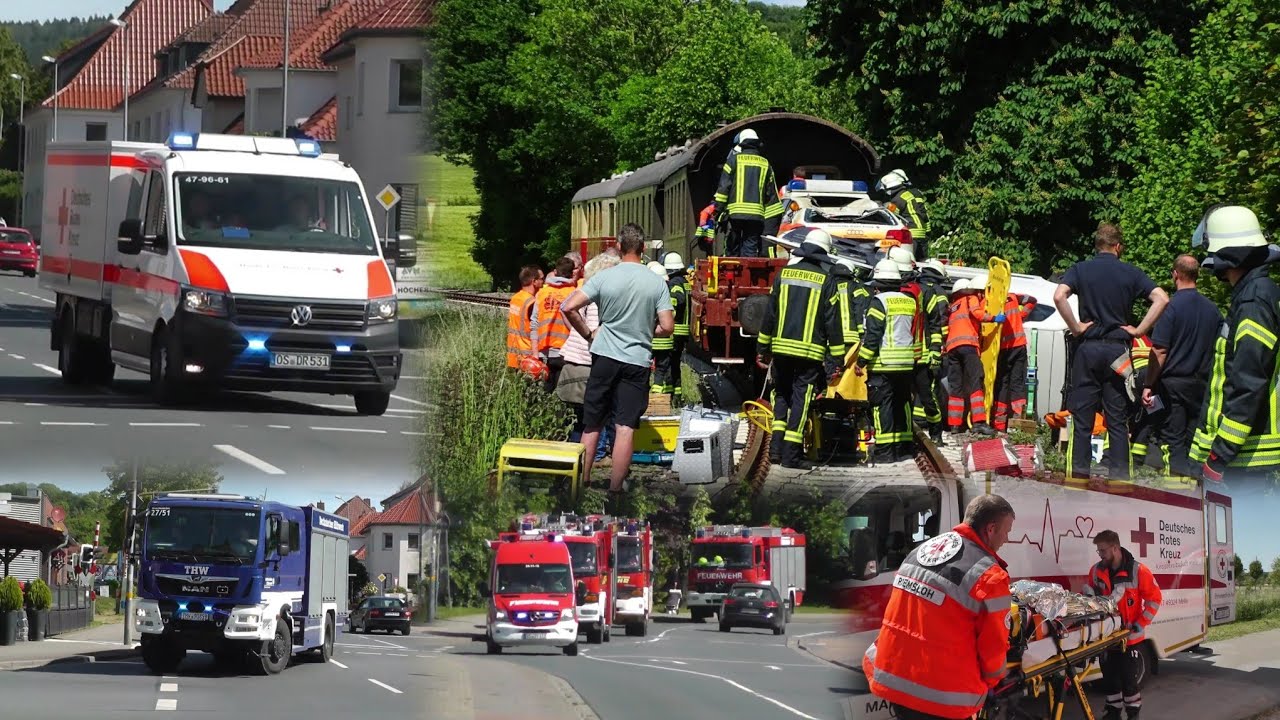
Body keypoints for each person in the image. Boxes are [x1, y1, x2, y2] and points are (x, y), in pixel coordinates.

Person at [863, 494, 1015, 720]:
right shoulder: (989, 577)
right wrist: (994, 680)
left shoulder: (921, 551)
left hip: (895, 679)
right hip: (941, 698)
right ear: (991, 529)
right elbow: (992, 653)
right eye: (1007, 531)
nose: (1007, 539)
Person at [560, 224, 674, 502]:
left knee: (592, 423)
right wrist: (646, 331)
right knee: (625, 427)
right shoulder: (656, 282)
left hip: (604, 357)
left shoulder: (605, 278)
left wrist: (589, 334)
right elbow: (668, 327)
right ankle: (615, 490)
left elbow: (568, 307)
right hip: (636, 360)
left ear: (620, 247)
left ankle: (582, 482)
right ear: (643, 248)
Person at [1054, 223, 1168, 483]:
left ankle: (1077, 483)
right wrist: (1139, 330)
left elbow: (1060, 296)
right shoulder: (1131, 272)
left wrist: (1076, 327)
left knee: (1082, 422)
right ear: (1118, 247)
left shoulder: (1080, 269)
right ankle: (1121, 485)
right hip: (1117, 352)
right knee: (1116, 422)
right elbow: (1161, 298)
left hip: (1088, 350)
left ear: (1097, 246)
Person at [1188, 206, 1280, 483]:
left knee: (1240, 527)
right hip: (1239, 454)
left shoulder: (1253, 301)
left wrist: (1220, 455)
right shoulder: (1254, 294)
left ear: (1227, 254)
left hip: (1241, 459)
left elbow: (1248, 384)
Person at [756, 236, 845, 469]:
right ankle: (791, 456)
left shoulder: (783, 275)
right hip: (809, 354)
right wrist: (836, 359)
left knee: (782, 396)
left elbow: (770, 315)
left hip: (781, 350)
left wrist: (762, 348)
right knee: (801, 401)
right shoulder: (827, 280)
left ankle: (775, 450)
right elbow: (832, 322)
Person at [1144, 255, 1222, 474]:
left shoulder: (1170, 308)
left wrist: (1149, 383)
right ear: (1197, 275)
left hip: (1173, 386)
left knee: (1173, 440)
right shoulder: (1212, 309)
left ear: (1175, 274)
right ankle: (1196, 491)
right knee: (1194, 441)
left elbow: (1159, 350)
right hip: (1202, 385)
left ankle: (1175, 495)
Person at [1085, 530, 1162, 720]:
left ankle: (1133, 714)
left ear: (1115, 548)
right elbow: (1092, 599)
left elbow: (1154, 599)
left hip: (1130, 638)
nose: (1100, 555)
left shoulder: (1138, 571)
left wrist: (1140, 623)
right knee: (1109, 678)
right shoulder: (1096, 571)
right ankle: (1113, 712)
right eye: (1098, 551)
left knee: (1129, 681)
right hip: (1106, 637)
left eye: (1103, 550)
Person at [556, 252, 622, 462]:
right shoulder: (600, 300)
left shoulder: (582, 293)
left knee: (579, 420)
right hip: (589, 363)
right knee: (596, 417)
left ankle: (573, 464)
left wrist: (577, 332)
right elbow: (598, 331)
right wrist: (588, 336)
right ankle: (593, 459)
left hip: (573, 360)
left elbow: (565, 309)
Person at [855, 259, 918, 462]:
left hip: (884, 363)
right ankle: (905, 447)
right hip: (906, 363)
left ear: (878, 284)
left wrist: (861, 361)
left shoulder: (879, 302)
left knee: (882, 405)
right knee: (903, 404)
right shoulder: (909, 300)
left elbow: (873, 335)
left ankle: (885, 452)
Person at [712, 128, 784, 257]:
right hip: (756, 215)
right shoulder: (765, 164)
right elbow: (770, 192)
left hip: (735, 215)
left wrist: (718, 210)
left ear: (741, 144)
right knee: (750, 249)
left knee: (732, 247)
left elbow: (724, 188)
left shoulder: (733, 160)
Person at [944, 278, 996, 436]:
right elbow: (977, 314)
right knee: (975, 383)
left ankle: (954, 425)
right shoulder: (970, 299)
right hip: (968, 345)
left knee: (956, 387)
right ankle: (979, 422)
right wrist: (995, 318)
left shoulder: (954, 306)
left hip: (952, 349)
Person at [531, 256, 579, 391]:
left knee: (544, 393)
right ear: (572, 273)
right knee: (562, 395)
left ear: (555, 272)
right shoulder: (574, 294)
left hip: (544, 353)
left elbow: (534, 323)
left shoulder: (542, 293)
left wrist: (535, 353)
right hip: (566, 352)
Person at [993, 290, 1038, 432]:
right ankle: (1019, 422)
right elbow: (1032, 299)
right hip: (1019, 345)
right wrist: (1021, 315)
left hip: (1004, 349)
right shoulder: (1012, 296)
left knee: (1002, 384)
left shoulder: (990, 302)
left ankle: (999, 425)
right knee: (1017, 384)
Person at [650, 252, 690, 399]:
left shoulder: (675, 283)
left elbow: (677, 300)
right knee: (673, 365)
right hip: (678, 331)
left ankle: (667, 396)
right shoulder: (684, 281)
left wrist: (666, 313)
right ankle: (674, 395)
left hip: (672, 331)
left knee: (667, 367)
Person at [876, 169, 932, 260]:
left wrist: (884, 207)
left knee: (909, 261)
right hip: (922, 233)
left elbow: (892, 216)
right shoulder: (914, 194)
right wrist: (927, 232)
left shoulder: (897, 199)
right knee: (922, 262)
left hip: (911, 233)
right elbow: (924, 214)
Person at [506, 265, 543, 369]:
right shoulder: (532, 303)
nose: (543, 282)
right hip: (529, 358)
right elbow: (536, 329)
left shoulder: (515, 298)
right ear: (534, 281)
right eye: (541, 279)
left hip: (513, 355)